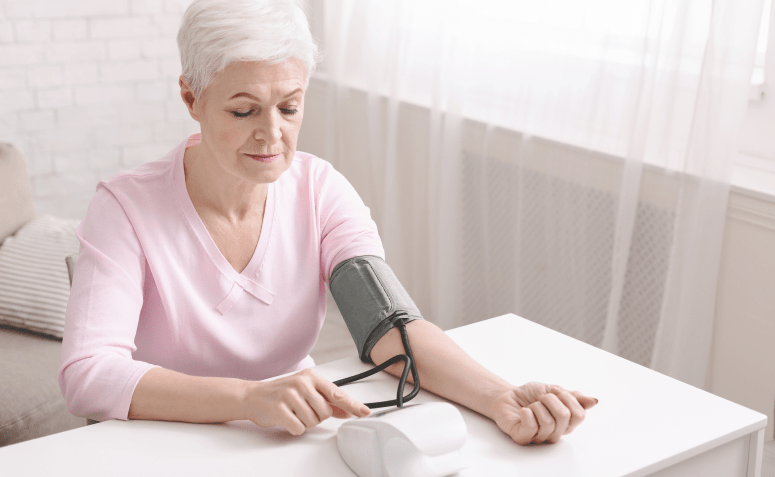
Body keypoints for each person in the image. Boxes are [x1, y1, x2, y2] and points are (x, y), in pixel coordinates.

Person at [59, 0, 597, 446]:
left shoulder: (320, 190)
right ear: (191, 98)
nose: (272, 134)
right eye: (243, 111)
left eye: (289, 107)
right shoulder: (125, 208)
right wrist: (249, 398)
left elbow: (387, 326)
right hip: (158, 442)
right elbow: (88, 376)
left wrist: (499, 397)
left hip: (282, 437)